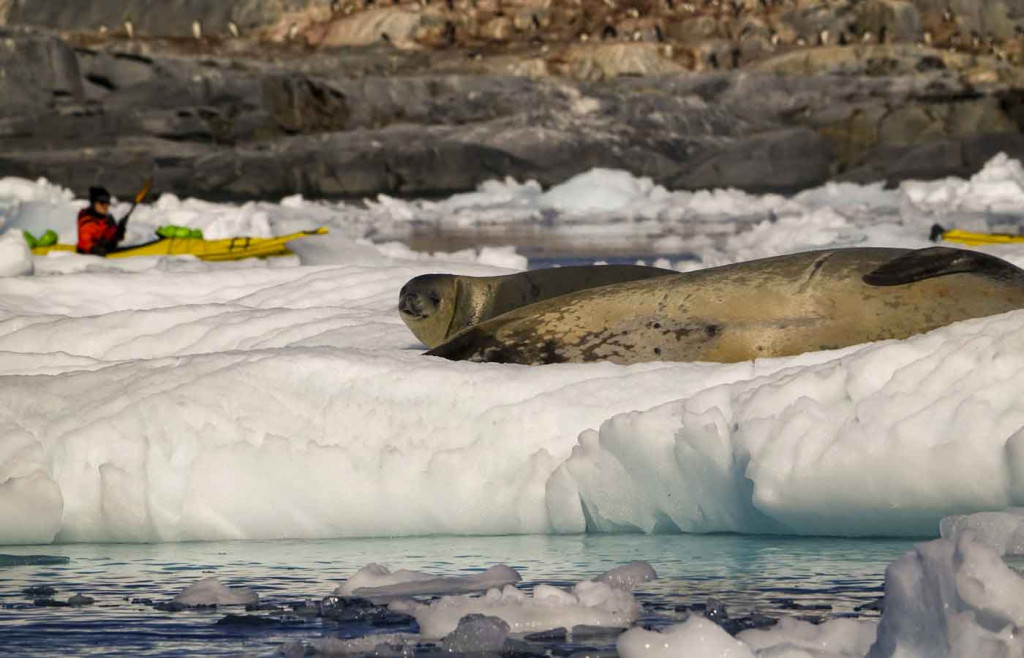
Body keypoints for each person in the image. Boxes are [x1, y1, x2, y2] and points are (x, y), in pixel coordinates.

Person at [77, 186, 126, 255]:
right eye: (101, 203)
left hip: (106, 251)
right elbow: (84, 242)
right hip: (89, 255)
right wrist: (93, 249)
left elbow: (110, 237)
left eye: (107, 203)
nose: (105, 206)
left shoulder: (107, 219)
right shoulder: (87, 221)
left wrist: (118, 232)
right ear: (93, 203)